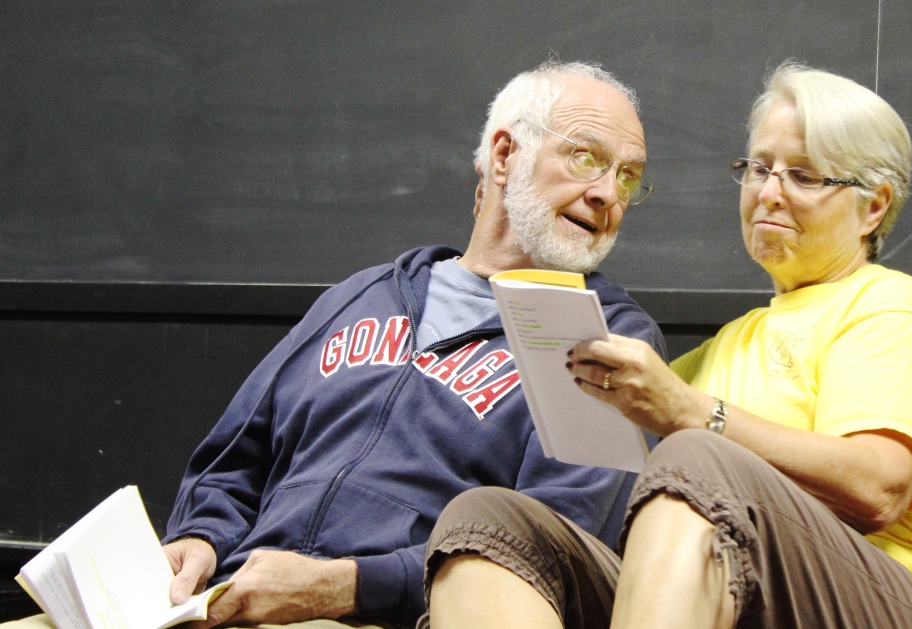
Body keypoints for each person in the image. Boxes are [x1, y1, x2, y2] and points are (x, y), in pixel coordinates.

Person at [1, 61, 665, 629]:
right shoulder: (361, 295)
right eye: (586, 158)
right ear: (503, 154)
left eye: (628, 177)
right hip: (222, 602)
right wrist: (202, 537)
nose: (608, 194)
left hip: (380, 615)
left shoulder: (604, 337)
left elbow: (549, 554)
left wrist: (341, 585)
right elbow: (238, 457)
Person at [422, 61, 912, 629]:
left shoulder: (890, 306)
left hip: (898, 605)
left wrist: (692, 416)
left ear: (872, 206)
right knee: (490, 522)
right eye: (759, 168)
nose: (769, 193)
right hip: (742, 603)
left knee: (694, 457)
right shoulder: (723, 349)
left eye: (803, 175)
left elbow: (879, 489)